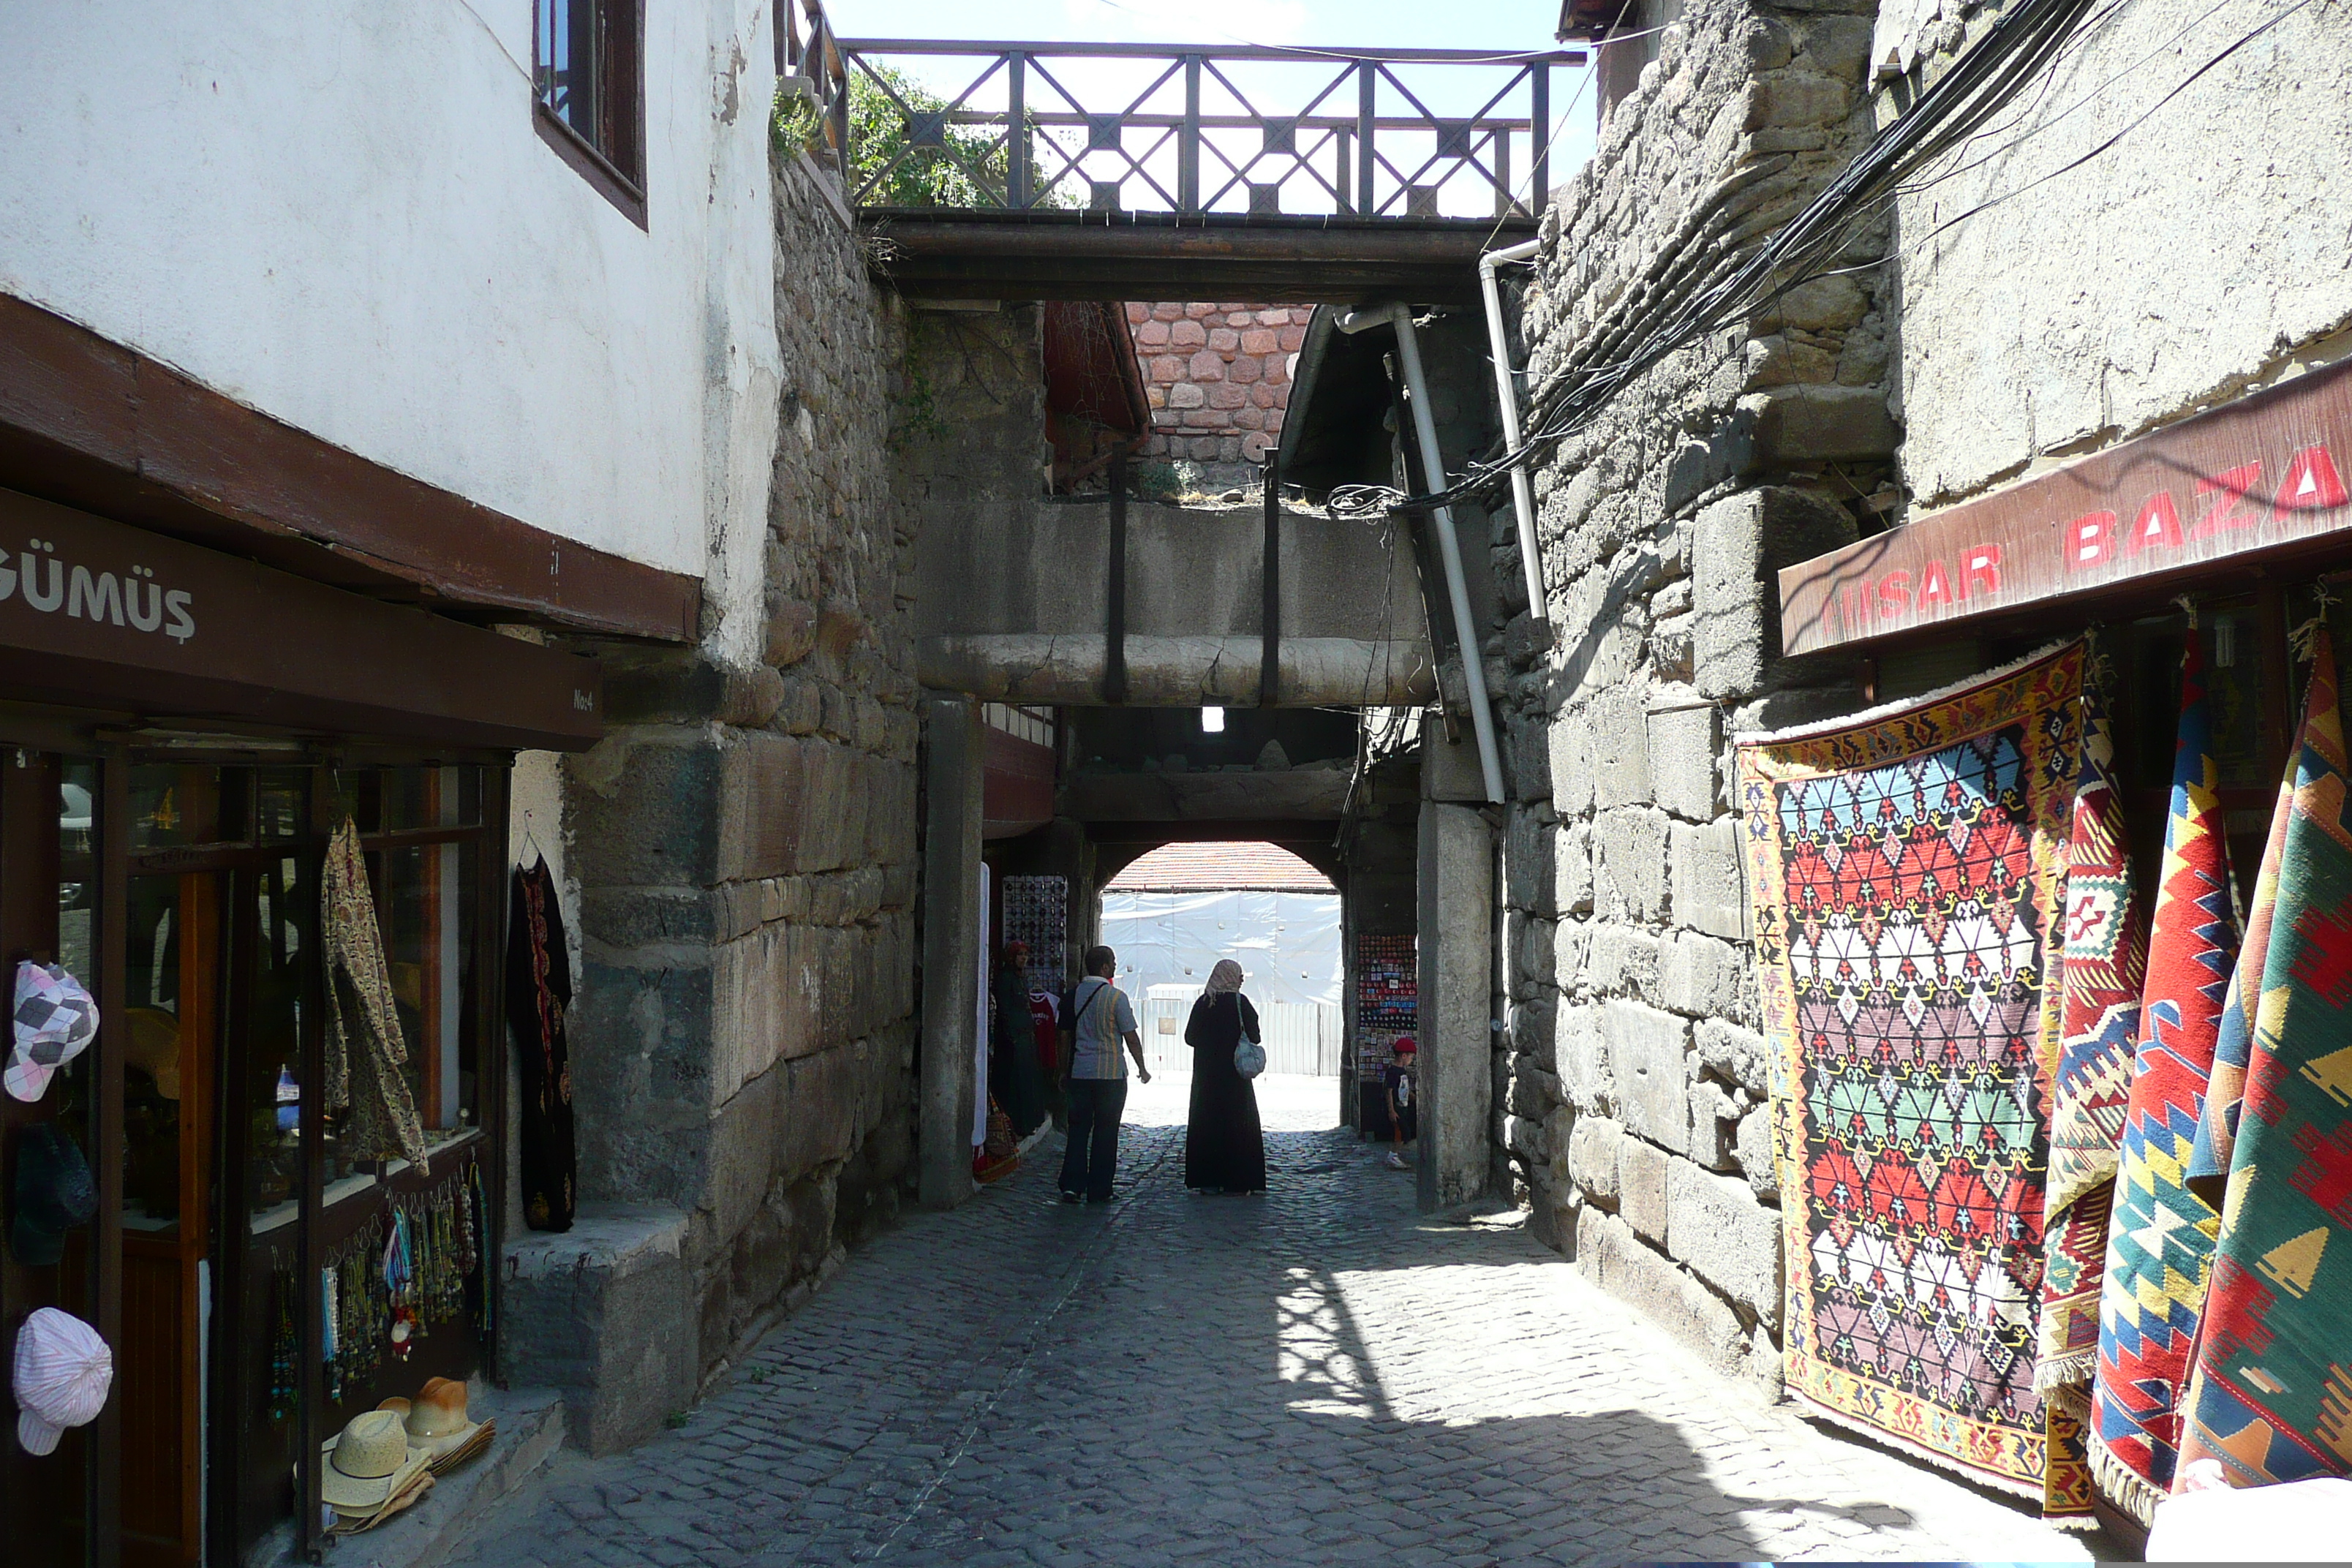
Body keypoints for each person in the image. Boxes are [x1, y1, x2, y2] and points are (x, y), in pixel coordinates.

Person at [1058, 945, 1147, 1202]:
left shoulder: (1071, 997)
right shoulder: (1117, 998)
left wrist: (1063, 1070)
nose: (1116, 966)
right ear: (1105, 967)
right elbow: (1131, 1037)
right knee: (1106, 1132)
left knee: (1078, 1131)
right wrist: (1142, 1067)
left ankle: (1072, 1185)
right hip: (1110, 1075)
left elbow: (1063, 1036)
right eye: (1114, 962)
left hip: (1080, 1073)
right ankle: (1099, 1189)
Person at [1183, 959, 1267, 1194]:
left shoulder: (1204, 1003)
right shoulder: (1241, 1004)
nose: (1242, 979)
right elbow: (1255, 1037)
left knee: (1207, 1125)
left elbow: (1190, 1037)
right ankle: (1238, 1181)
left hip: (1207, 1078)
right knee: (1238, 1126)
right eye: (1239, 975)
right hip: (1235, 1080)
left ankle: (1208, 1179)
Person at [991, 941, 1045, 1139]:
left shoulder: (1020, 979)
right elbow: (1005, 1009)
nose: (1024, 958)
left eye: (1025, 954)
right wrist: (1012, 1035)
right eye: (1020, 954)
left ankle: (1027, 1123)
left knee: (1027, 1084)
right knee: (1015, 1086)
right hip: (1014, 1040)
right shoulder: (1006, 979)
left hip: (1025, 1038)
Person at [1382, 1037, 1417, 1171]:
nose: (1411, 1060)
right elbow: (1389, 1091)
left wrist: (1414, 1098)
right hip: (1396, 1107)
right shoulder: (1393, 1072)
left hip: (1403, 1106)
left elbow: (1404, 1089)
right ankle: (1393, 1155)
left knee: (1404, 1132)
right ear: (1404, 1056)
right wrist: (1391, 1110)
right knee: (1401, 1132)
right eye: (1411, 1057)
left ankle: (1394, 1155)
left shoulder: (1402, 1072)